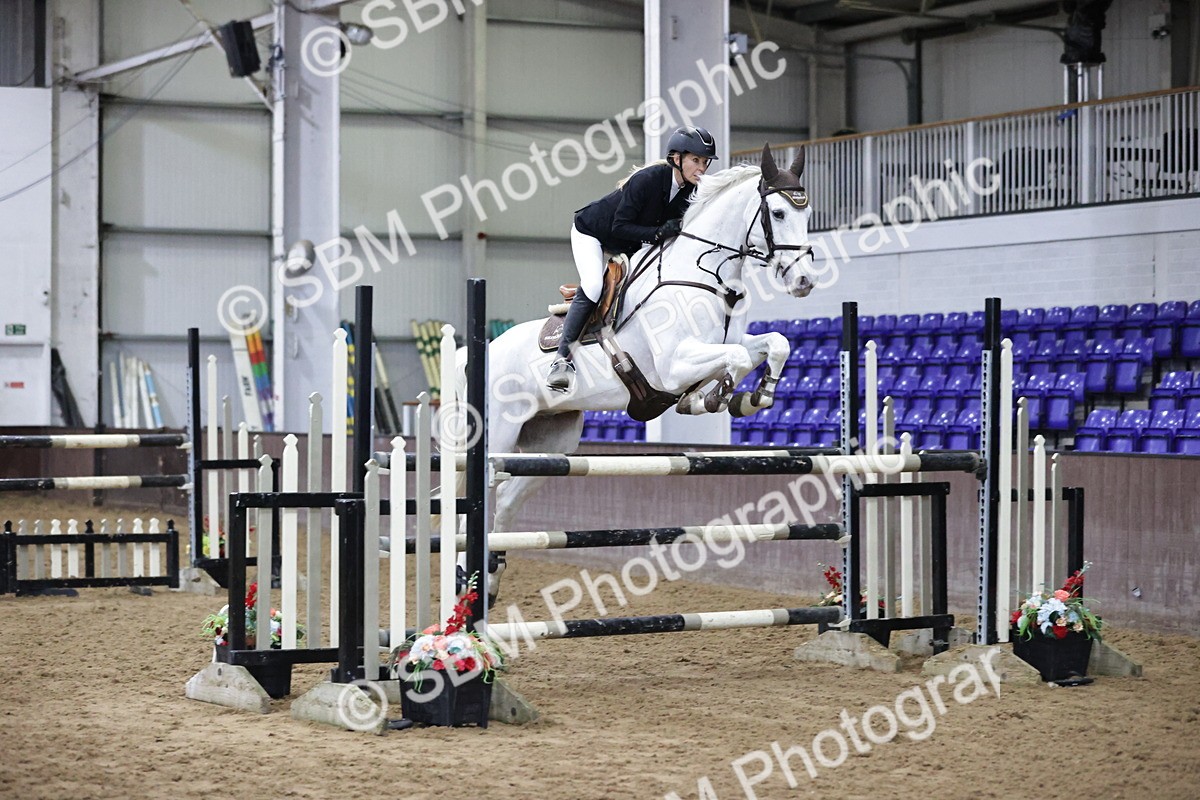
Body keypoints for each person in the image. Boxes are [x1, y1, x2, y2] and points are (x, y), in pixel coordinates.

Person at [546, 125, 718, 393]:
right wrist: (658, 233)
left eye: (705, 162)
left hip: (631, 243)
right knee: (593, 285)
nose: (702, 168)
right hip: (593, 232)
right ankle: (561, 361)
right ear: (676, 158)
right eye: (696, 160)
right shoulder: (647, 179)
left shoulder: (690, 193)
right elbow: (620, 227)